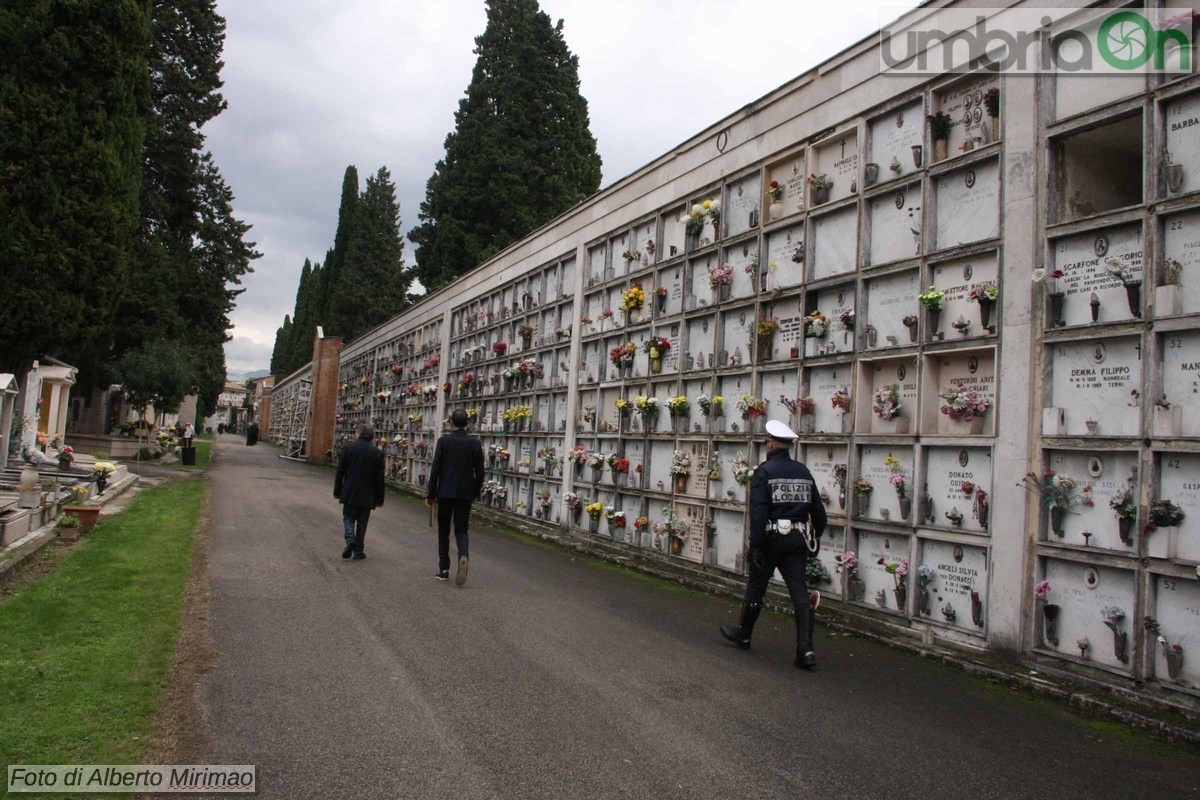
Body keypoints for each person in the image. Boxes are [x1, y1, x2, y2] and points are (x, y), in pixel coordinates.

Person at [720, 419, 827, 669]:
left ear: (770, 443)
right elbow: (819, 514)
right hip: (798, 540)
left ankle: (744, 633)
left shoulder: (764, 472)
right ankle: (806, 650)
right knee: (799, 592)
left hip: (771, 539)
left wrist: (755, 546)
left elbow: (758, 513)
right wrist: (815, 537)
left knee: (757, 585)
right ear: (788, 446)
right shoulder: (804, 472)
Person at [425, 408, 485, 585]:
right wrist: (475, 490)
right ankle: (463, 555)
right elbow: (480, 472)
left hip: (445, 492)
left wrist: (431, 494)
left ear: (451, 422)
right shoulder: (474, 443)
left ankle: (444, 569)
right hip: (465, 493)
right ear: (467, 423)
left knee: (444, 530)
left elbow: (436, 468)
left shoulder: (444, 441)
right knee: (461, 529)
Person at [333, 424, 385, 560]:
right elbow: (380, 478)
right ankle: (358, 551)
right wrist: (380, 499)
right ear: (372, 437)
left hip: (350, 490)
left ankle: (350, 539)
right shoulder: (377, 453)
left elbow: (340, 471)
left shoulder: (348, 448)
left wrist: (337, 490)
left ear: (359, 434)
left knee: (348, 517)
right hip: (368, 493)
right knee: (362, 522)